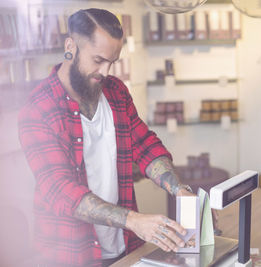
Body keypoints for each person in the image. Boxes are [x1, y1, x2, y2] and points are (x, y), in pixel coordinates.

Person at [18, 8, 195, 267]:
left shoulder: (115, 92)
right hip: (69, 255)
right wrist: (133, 220)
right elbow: (62, 192)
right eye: (98, 60)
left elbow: (146, 145)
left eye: (112, 62)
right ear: (71, 46)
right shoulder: (39, 108)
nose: (106, 72)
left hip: (123, 247)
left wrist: (178, 189)